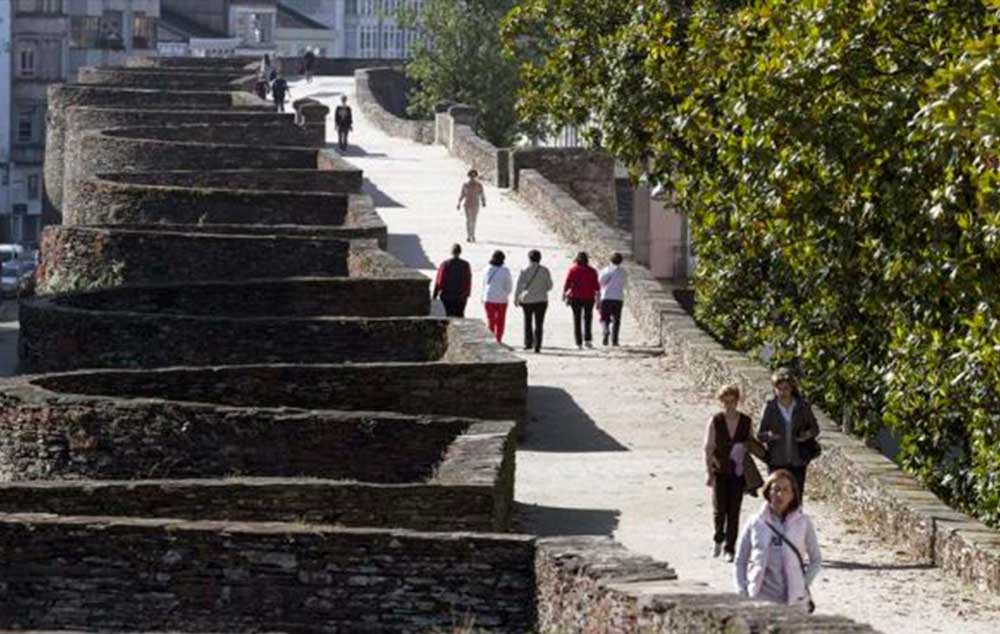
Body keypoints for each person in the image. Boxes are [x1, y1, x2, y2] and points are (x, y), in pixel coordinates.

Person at [735, 469, 822, 612]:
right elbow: (740, 560)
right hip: (760, 597)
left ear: (793, 495)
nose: (780, 494)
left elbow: (816, 559)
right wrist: (742, 590)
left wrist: (803, 584)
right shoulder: (755, 522)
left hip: (794, 601)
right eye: (776, 489)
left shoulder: (804, 523)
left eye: (785, 490)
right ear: (768, 492)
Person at [705, 384, 755, 562]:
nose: (729, 405)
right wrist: (709, 472)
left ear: (737, 401)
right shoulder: (715, 421)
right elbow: (709, 447)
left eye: (732, 401)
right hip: (720, 470)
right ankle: (719, 537)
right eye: (725, 402)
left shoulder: (746, 422)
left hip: (738, 473)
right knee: (719, 510)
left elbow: (751, 445)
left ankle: (730, 548)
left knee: (734, 511)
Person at [757, 369, 821, 495]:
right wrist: (769, 436)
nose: (782, 392)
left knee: (796, 496)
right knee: (776, 496)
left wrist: (806, 435)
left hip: (798, 460)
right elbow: (760, 434)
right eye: (779, 389)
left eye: (785, 388)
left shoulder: (802, 406)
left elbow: (815, 429)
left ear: (792, 388)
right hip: (776, 460)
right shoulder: (770, 407)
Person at [514, 249, 553, 353]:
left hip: (527, 300)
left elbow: (519, 286)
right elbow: (550, 286)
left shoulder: (524, 270)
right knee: (539, 323)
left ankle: (528, 343)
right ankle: (538, 345)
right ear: (540, 258)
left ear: (529, 258)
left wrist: (516, 298)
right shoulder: (545, 270)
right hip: (541, 300)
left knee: (528, 321)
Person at [563, 251, 600, 349]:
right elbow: (596, 286)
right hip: (589, 297)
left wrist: (564, 293)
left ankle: (578, 343)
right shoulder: (592, 271)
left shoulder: (573, 270)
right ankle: (588, 341)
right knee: (588, 319)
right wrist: (598, 298)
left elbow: (567, 283)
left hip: (576, 297)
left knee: (577, 319)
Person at [433, 243, 472, 317]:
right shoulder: (466, 265)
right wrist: (466, 294)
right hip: (461, 297)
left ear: (451, 252)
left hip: (447, 296)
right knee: (459, 316)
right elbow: (468, 280)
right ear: (460, 252)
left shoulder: (445, 264)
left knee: (448, 316)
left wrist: (435, 295)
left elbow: (440, 280)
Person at [482, 250, 512, 343]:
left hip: (488, 298)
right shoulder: (505, 271)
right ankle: (498, 339)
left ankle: (491, 340)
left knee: (491, 320)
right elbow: (509, 287)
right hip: (501, 299)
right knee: (500, 321)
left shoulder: (486, 269)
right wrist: (505, 293)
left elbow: (484, 283)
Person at [598, 252, 627, 346]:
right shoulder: (623, 272)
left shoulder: (606, 270)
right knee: (616, 320)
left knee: (605, 318)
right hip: (618, 297)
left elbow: (601, 282)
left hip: (606, 297)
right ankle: (615, 340)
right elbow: (624, 283)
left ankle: (605, 331)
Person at [457, 170, 486, 242]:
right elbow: (462, 194)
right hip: (467, 204)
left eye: (474, 176)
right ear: (469, 176)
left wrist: (483, 201)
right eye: (471, 176)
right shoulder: (465, 185)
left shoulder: (479, 185)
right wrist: (459, 202)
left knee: (473, 220)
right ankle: (469, 235)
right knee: (468, 220)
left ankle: (473, 234)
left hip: (475, 204)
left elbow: (482, 194)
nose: (472, 178)